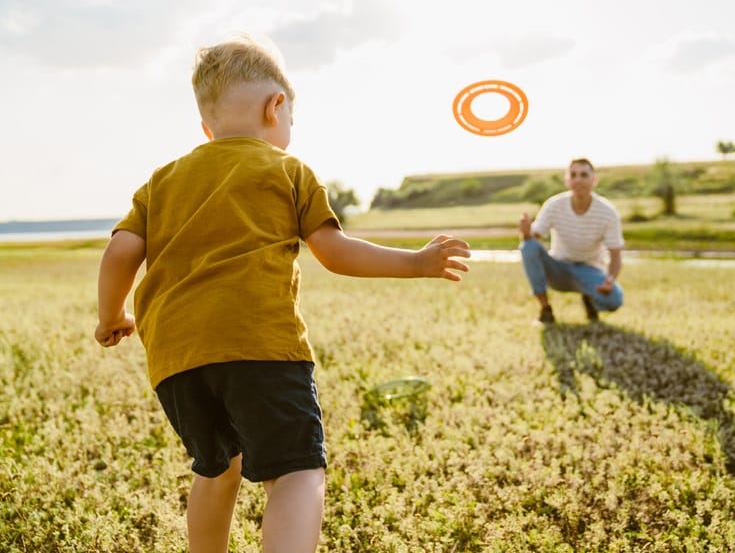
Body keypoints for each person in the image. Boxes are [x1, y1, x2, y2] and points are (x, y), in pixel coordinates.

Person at [94, 35, 470, 553]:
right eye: (290, 117)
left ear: (208, 127)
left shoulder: (162, 180)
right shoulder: (287, 169)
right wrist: (416, 262)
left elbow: (119, 254)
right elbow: (334, 252)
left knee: (217, 467)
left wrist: (111, 316)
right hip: (261, 346)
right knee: (296, 472)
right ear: (276, 108)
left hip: (176, 361)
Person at [518, 158, 624, 324]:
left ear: (594, 180)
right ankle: (545, 309)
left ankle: (589, 300)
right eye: (573, 175)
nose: (578, 179)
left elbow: (616, 254)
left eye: (584, 175)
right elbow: (533, 240)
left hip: (589, 270)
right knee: (528, 246)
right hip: (558, 269)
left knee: (614, 299)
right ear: (567, 181)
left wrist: (610, 279)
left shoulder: (608, 212)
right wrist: (525, 233)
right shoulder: (554, 205)